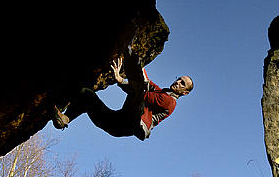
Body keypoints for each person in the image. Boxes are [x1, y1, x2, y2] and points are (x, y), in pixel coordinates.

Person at [52, 48, 193, 141]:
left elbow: (142, 92)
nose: (178, 82)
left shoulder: (169, 102)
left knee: (139, 89)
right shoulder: (161, 92)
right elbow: (147, 82)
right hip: (116, 123)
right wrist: (140, 62)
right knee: (86, 95)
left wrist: (120, 80)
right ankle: (65, 119)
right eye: (179, 79)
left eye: (182, 84)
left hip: (133, 123)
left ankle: (129, 50)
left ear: (185, 92)